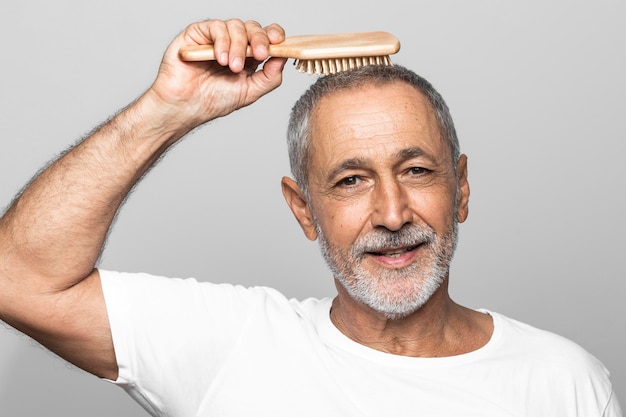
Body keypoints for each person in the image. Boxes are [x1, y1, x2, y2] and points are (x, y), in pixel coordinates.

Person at [0, 18, 621, 417]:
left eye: (416, 170)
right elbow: (16, 277)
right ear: (304, 210)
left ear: (461, 189)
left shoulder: (563, 382)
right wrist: (169, 109)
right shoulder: (231, 345)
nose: (392, 212)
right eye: (351, 181)